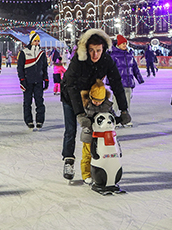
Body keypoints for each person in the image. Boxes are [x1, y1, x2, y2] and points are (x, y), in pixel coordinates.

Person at [60, 28, 131, 180]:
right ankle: (69, 160)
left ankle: (96, 162)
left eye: (98, 50)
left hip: (92, 97)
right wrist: (79, 113)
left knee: (96, 129)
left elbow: (116, 83)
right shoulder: (78, 60)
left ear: (103, 49)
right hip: (70, 96)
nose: (95, 55)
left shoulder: (106, 60)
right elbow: (71, 86)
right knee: (71, 129)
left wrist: (124, 110)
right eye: (91, 50)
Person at [77, 79, 115, 185]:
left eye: (100, 100)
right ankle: (86, 175)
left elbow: (112, 116)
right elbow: (80, 116)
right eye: (95, 100)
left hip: (103, 136)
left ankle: (101, 172)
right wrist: (84, 121)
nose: (97, 103)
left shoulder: (107, 105)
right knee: (87, 155)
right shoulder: (86, 105)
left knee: (102, 155)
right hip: (89, 134)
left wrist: (116, 120)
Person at [17, 31, 49, 129]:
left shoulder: (41, 53)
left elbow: (44, 67)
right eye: (35, 40)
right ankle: (29, 120)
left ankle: (40, 120)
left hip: (38, 81)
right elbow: (20, 67)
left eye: (38, 41)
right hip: (27, 81)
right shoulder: (24, 52)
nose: (36, 43)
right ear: (31, 41)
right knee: (27, 102)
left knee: (39, 102)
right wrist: (22, 79)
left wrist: (46, 79)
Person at [109, 34, 144, 124]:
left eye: (126, 43)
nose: (125, 45)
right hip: (118, 83)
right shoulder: (113, 55)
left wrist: (139, 79)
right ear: (118, 45)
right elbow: (109, 70)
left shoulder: (130, 55)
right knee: (116, 101)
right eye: (123, 43)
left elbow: (135, 68)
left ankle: (126, 119)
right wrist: (110, 82)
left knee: (127, 101)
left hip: (128, 83)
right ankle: (113, 118)